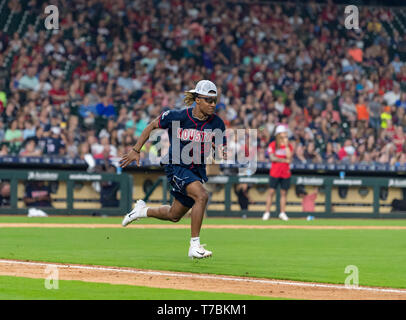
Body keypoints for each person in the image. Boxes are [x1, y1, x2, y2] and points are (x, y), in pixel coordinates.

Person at [119, 80, 226, 259]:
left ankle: (141, 211)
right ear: (197, 100)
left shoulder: (217, 123)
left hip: (196, 170)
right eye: (208, 100)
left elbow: (220, 152)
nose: (213, 104)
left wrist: (220, 150)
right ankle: (194, 246)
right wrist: (136, 150)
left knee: (174, 214)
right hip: (175, 165)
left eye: (214, 100)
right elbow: (152, 125)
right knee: (202, 195)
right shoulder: (178, 116)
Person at [263, 125, 293, 221]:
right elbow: (272, 158)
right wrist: (283, 160)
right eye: (284, 133)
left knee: (283, 193)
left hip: (285, 172)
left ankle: (282, 212)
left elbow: (289, 158)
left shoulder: (289, 145)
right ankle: (267, 212)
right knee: (271, 192)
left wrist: (287, 145)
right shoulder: (273, 144)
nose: (285, 135)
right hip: (275, 172)